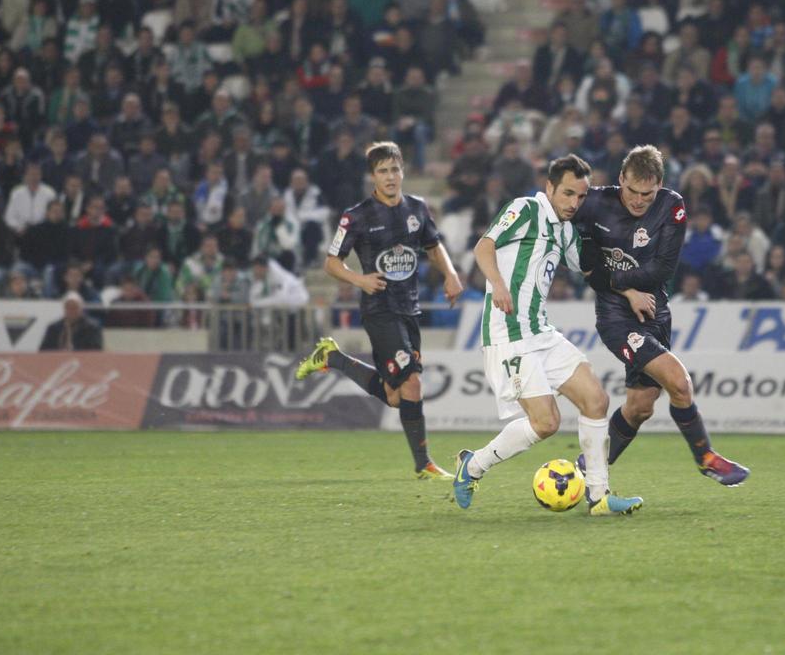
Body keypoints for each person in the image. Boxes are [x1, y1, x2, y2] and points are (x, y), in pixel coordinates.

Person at [451, 154, 642, 516]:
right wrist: (498, 285)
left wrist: (629, 291)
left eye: (581, 197)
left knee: (596, 400)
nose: (574, 203)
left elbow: (590, 272)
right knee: (546, 423)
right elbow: (483, 247)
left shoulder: (565, 230)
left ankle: (599, 496)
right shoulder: (525, 209)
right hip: (508, 332)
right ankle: (472, 465)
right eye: (568, 194)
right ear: (549, 187)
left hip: (540, 331)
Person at [574, 145, 749, 486]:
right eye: (633, 192)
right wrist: (624, 290)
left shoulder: (672, 206)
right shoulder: (594, 203)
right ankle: (706, 457)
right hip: (615, 318)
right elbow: (582, 263)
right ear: (621, 178)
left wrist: (611, 278)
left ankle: (586, 467)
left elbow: (662, 270)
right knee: (680, 383)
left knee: (640, 407)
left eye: (647, 194)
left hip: (655, 314)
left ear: (659, 186)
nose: (639, 201)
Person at [295, 143, 463, 480]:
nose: (390, 177)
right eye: (382, 171)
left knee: (395, 396)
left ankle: (334, 358)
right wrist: (360, 280)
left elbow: (433, 244)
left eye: (394, 169)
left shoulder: (417, 207)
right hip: (379, 310)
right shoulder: (355, 216)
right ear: (373, 176)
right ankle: (424, 464)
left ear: (402, 171)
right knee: (412, 384)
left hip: (409, 310)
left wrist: (451, 274)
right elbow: (331, 262)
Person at [39, 292, 103, 351]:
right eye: (68, 307)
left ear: (81, 309)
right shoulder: (53, 328)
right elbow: (43, 351)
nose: (71, 310)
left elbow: (96, 350)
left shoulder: (92, 328)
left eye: (75, 307)